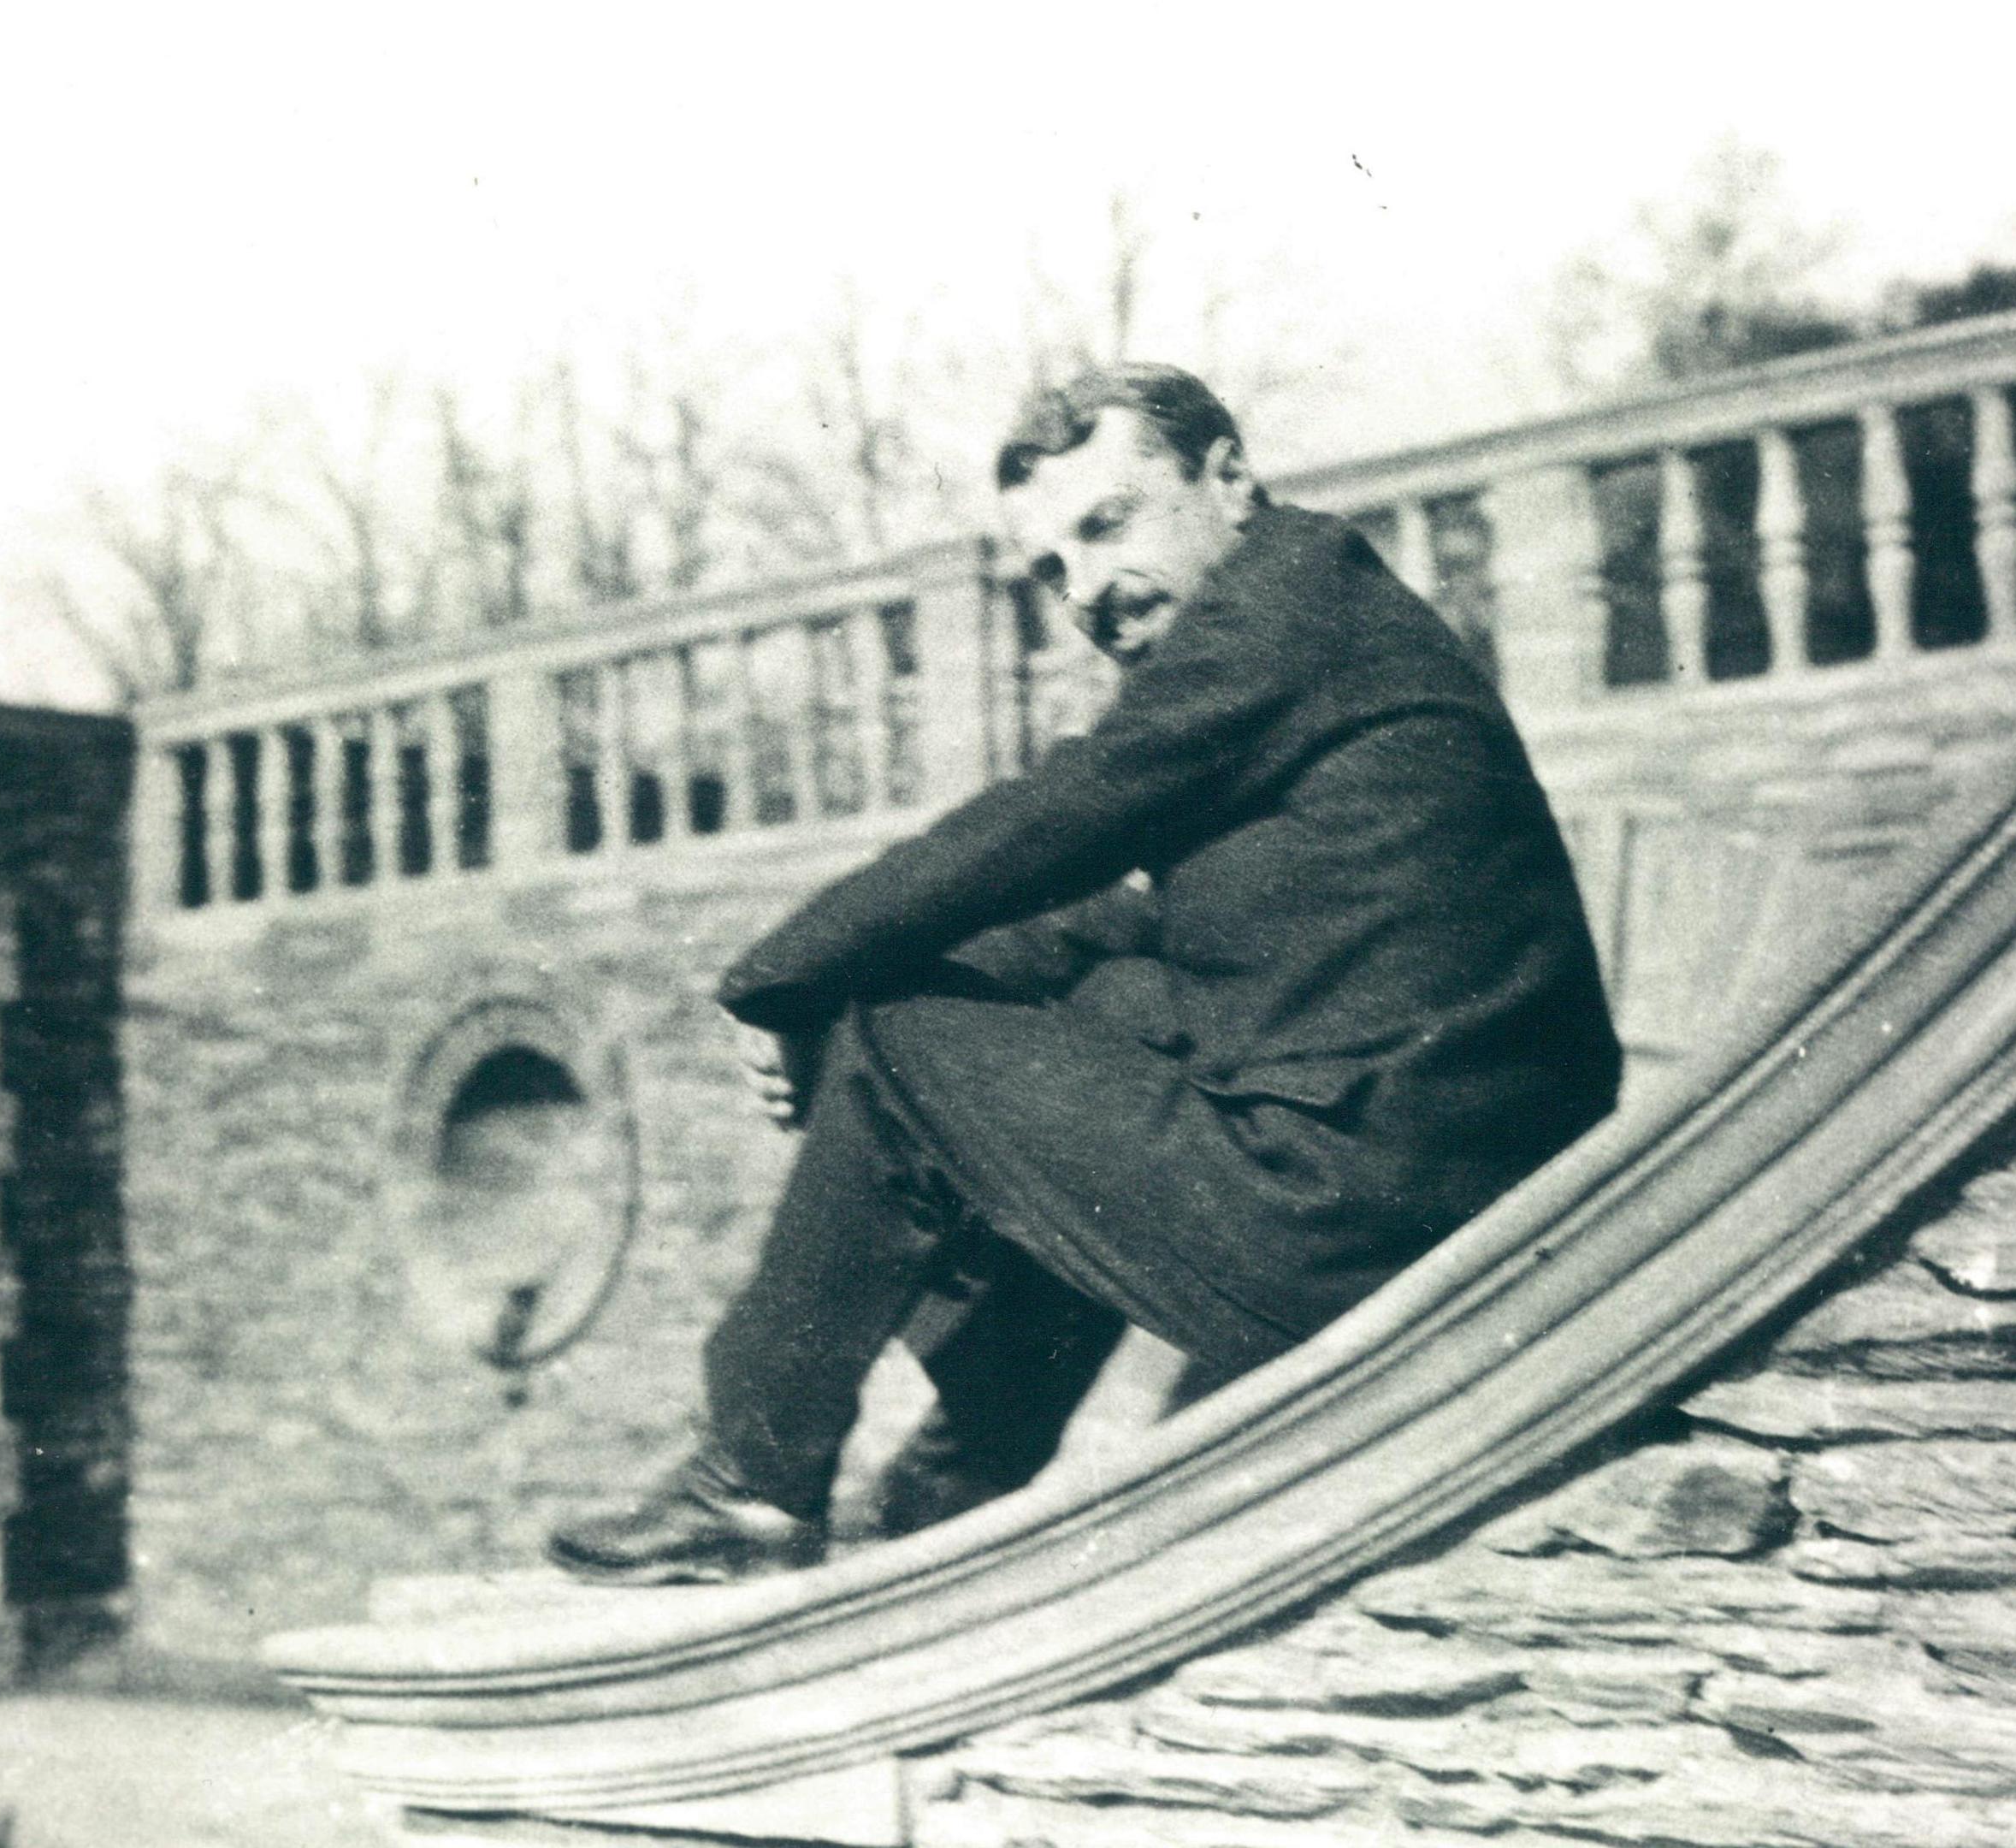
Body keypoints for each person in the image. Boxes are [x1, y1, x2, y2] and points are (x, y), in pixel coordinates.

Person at [548, 364, 1620, 1583]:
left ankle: (756, 1479)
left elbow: (1061, 817)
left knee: (907, 1039)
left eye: (1109, 526)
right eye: (1054, 568)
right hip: (1439, 1191)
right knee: (1051, 1003)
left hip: (1369, 1218)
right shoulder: (1324, 619)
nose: (1090, 594)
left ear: (1226, 475)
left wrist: (784, 979)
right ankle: (956, 1481)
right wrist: (945, 968)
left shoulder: (1283, 614)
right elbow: (1138, 927)